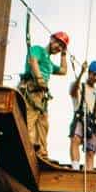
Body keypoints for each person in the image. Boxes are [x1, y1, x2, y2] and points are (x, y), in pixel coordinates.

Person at [18, 31, 70, 161]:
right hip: (32, 88)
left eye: (61, 46)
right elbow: (33, 61)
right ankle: (27, 146)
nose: (58, 47)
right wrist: (40, 79)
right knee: (29, 118)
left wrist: (64, 55)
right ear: (51, 39)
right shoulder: (38, 50)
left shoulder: (49, 63)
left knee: (43, 123)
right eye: (58, 43)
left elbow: (63, 71)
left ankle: (42, 153)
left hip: (42, 94)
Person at [69, 60, 96, 171]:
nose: (94, 77)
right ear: (89, 73)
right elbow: (73, 90)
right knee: (75, 140)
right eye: (93, 74)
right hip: (81, 119)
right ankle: (75, 168)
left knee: (90, 153)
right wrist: (81, 73)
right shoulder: (80, 87)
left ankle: (89, 174)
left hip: (94, 125)